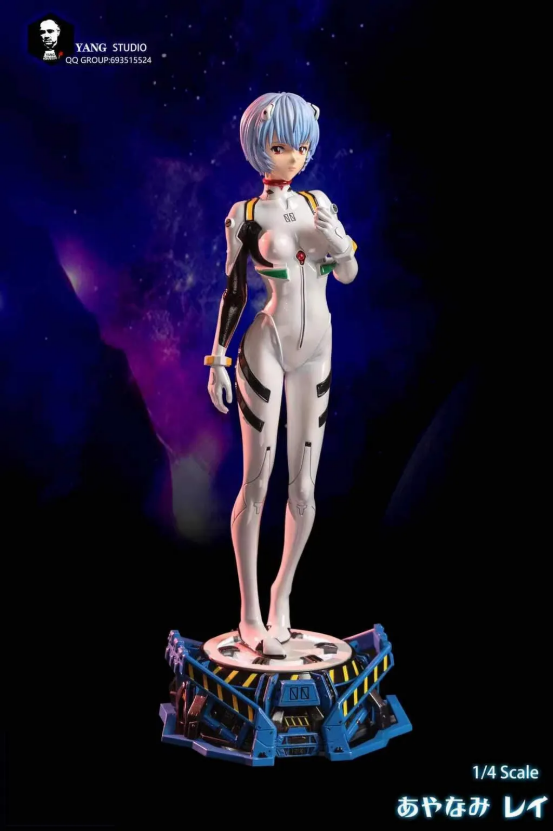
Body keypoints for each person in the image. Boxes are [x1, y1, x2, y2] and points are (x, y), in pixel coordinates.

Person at [205, 92, 358, 657]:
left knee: (305, 487)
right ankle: (249, 613)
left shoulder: (320, 203)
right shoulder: (245, 216)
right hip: (266, 344)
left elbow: (348, 273)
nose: (293, 157)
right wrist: (217, 361)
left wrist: (338, 242)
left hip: (318, 349)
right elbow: (234, 290)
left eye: (301, 147)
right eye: (280, 146)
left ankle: (281, 596)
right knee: (257, 482)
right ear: (257, 147)